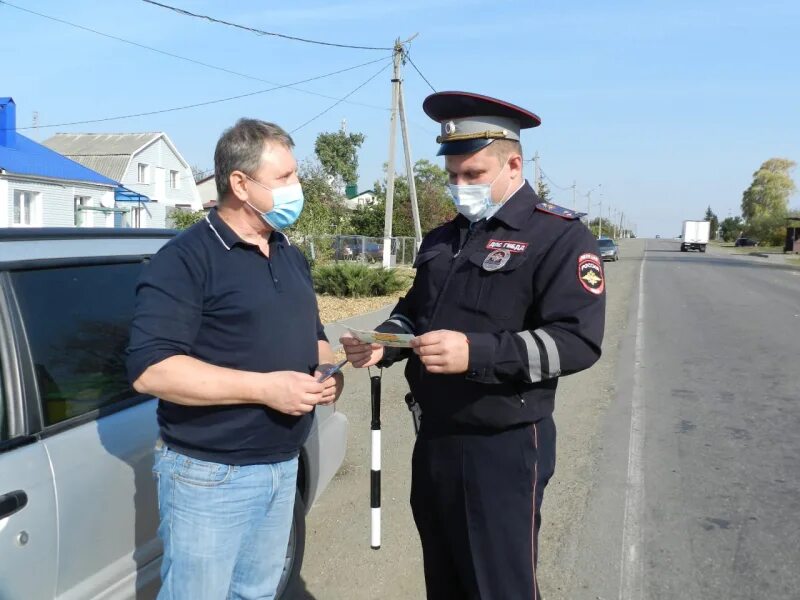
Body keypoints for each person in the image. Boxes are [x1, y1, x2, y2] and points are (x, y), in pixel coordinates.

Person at [341, 91, 606, 599]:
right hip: (435, 438)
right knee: (445, 580)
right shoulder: (442, 238)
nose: (460, 187)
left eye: (473, 175)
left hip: (502, 445)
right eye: (453, 175)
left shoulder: (560, 237)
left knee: (498, 586)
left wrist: (476, 352)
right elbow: (414, 310)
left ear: (513, 164)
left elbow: (577, 341)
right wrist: (385, 343)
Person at [126, 118, 343, 600]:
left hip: (283, 464)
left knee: (257, 594)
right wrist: (267, 388)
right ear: (240, 184)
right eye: (285, 178)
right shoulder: (185, 260)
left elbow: (314, 335)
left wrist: (326, 371)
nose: (297, 188)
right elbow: (151, 369)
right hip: (211, 475)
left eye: (295, 176)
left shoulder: (288, 252)